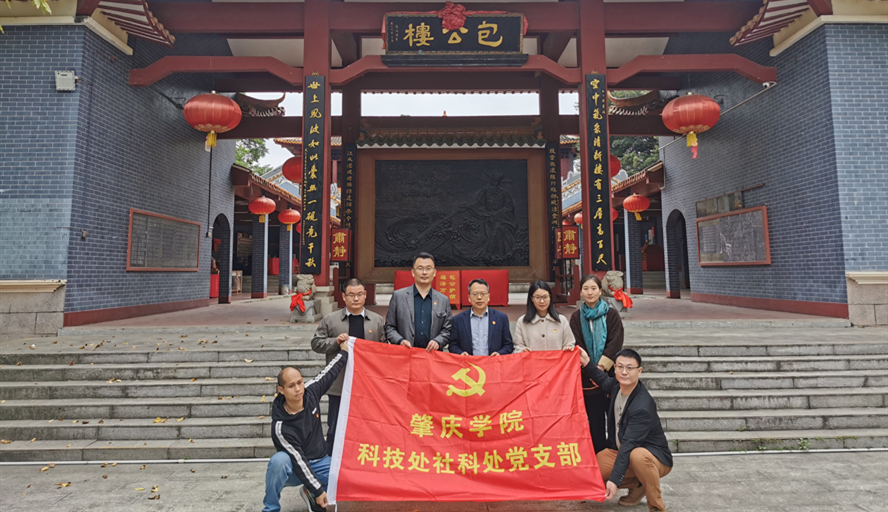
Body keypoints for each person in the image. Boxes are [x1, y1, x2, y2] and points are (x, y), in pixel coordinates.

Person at [580, 348, 673, 512]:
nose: (624, 372)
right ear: (614, 368)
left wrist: (615, 481)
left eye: (630, 368)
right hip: (621, 451)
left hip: (653, 457)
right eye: (620, 367)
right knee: (590, 475)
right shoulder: (616, 385)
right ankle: (639, 484)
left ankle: (656, 506)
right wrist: (586, 362)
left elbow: (629, 445)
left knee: (638, 455)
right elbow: (602, 380)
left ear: (639, 371)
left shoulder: (641, 407)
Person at [264, 340, 349, 512]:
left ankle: (309, 491)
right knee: (278, 461)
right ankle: (270, 508)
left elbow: (329, 372)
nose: (298, 389)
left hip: (320, 461)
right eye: (291, 386)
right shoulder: (280, 426)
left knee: (347, 478)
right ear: (281, 390)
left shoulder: (310, 392)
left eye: (300, 382)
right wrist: (318, 490)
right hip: (295, 469)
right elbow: (298, 460)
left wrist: (344, 352)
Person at [310, 277, 386, 456]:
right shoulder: (331, 320)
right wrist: (335, 342)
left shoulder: (376, 321)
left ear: (365, 295)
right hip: (339, 384)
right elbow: (316, 343)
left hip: (367, 386)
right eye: (351, 295)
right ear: (344, 297)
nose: (356, 299)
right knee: (335, 428)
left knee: (368, 428)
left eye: (359, 294)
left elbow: (385, 349)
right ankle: (331, 464)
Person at [569, 274, 624, 453]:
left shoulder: (612, 315)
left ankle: (615, 455)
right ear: (581, 292)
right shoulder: (576, 317)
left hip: (609, 377)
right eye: (586, 289)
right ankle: (599, 457)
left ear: (600, 291)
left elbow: (616, 341)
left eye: (594, 288)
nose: (590, 292)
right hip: (588, 380)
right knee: (595, 422)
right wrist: (590, 369)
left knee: (615, 421)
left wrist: (600, 367)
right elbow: (577, 344)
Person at [385, 252, 452, 352]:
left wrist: (438, 341)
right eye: (420, 268)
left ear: (434, 272)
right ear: (413, 272)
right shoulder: (398, 297)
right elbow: (389, 327)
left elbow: (448, 329)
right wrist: (400, 340)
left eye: (428, 268)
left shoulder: (443, 300)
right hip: (406, 354)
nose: (424, 272)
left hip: (432, 356)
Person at [448, 278, 513, 356]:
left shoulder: (501, 318)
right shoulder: (458, 320)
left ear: (488, 297)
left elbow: (508, 345)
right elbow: (453, 345)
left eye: (483, 294)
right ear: (469, 298)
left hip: (493, 362)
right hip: (468, 363)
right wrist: (461, 353)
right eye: (475, 294)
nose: (479, 297)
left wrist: (499, 354)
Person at [513, 280, 575, 353]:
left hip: (557, 360)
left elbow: (570, 343)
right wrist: (522, 350)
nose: (542, 301)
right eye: (537, 297)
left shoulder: (561, 320)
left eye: (545, 297)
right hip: (532, 360)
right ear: (531, 298)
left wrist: (568, 348)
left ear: (550, 297)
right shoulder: (522, 322)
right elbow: (518, 347)